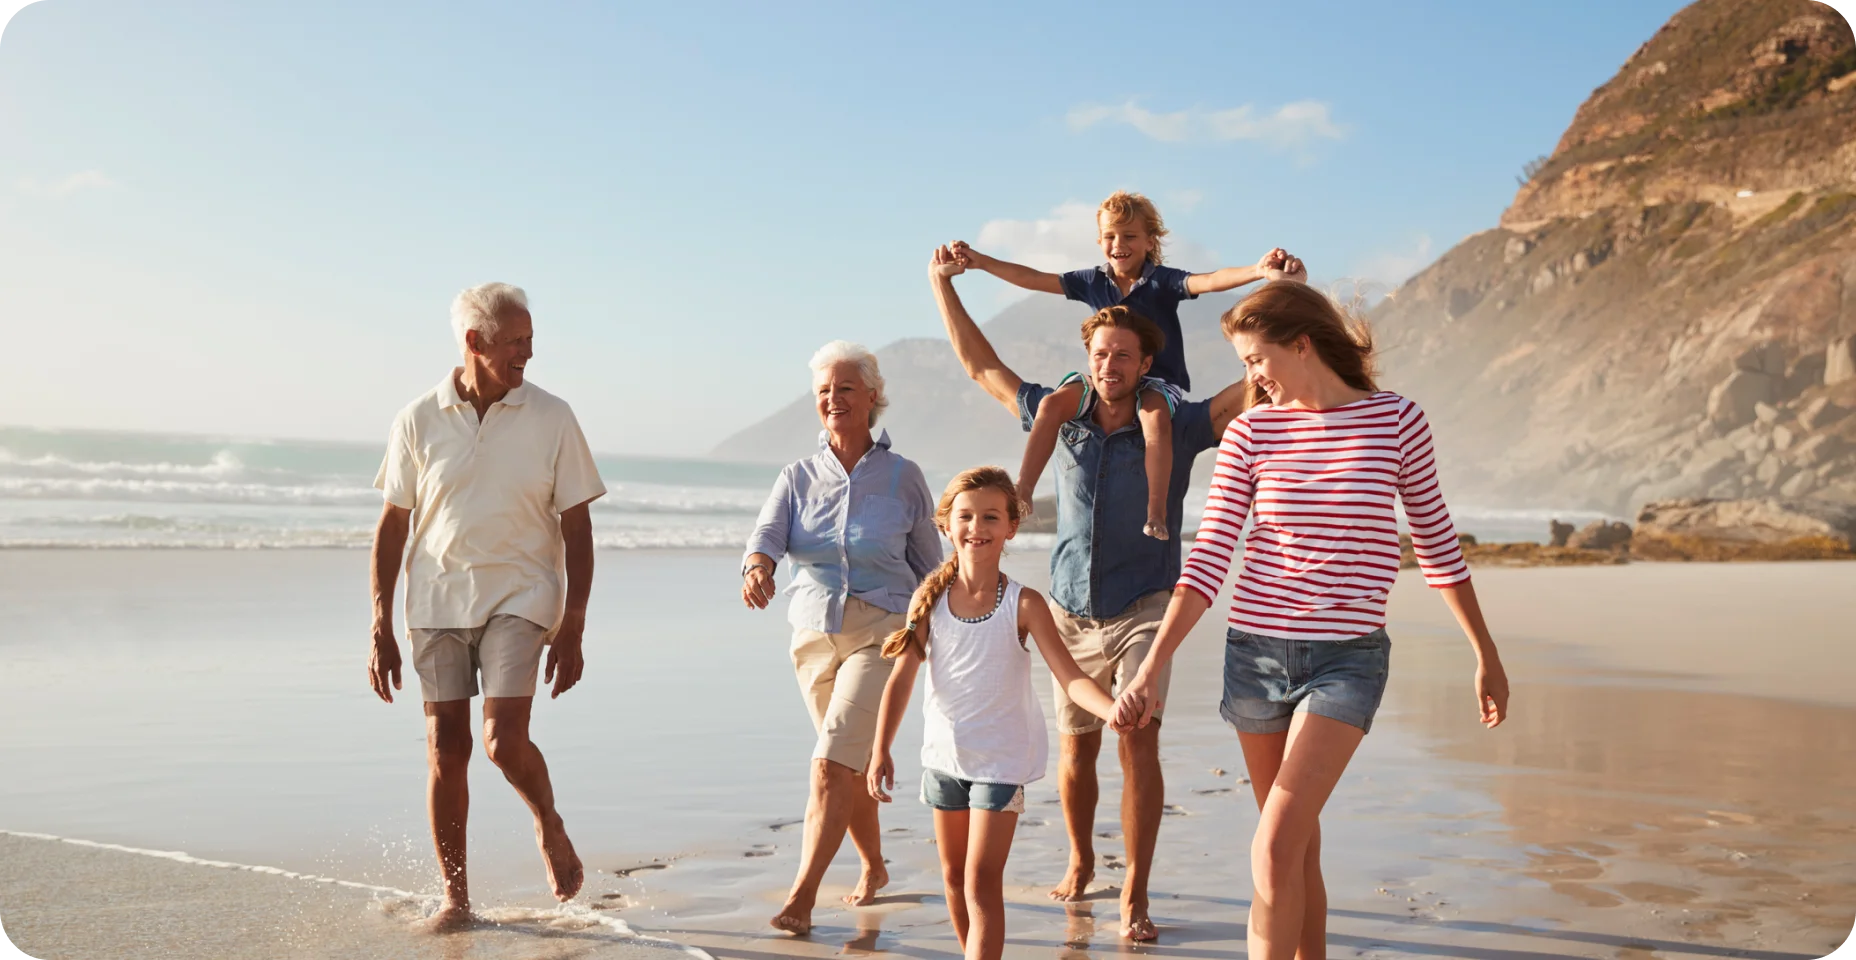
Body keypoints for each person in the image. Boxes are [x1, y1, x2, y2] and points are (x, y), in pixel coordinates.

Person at [1112, 281, 1512, 960]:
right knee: (1295, 847)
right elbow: (1209, 560)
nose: (1250, 377)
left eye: (1255, 359)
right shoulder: (1251, 432)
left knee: (1272, 846)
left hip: (1346, 659)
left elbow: (1439, 546)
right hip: (1256, 658)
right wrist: (1152, 667)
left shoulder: (1395, 420)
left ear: (1301, 345)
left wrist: (1486, 653)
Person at [927, 244, 1304, 941]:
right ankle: (1080, 860)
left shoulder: (1177, 423)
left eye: (1123, 356)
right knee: (1077, 754)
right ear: (1089, 356)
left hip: (1146, 610)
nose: (1110, 366)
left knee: (1136, 740)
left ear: (1145, 364)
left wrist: (1283, 296)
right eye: (1101, 353)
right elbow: (982, 367)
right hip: (1069, 610)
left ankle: (1135, 889)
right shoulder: (1061, 417)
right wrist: (943, 287)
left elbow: (1253, 385)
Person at [366, 282, 606, 932]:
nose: (528, 354)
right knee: (446, 747)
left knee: (501, 741)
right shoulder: (418, 418)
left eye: (530, 341)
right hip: (437, 599)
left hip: (522, 594)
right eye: (515, 343)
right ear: (474, 342)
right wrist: (379, 624)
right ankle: (456, 897)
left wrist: (575, 622)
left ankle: (547, 821)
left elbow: (578, 526)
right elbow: (393, 525)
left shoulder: (553, 417)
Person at [866, 467, 1119, 960]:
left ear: (1010, 527)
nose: (975, 527)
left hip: (1000, 764)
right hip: (943, 759)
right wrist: (881, 750)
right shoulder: (929, 597)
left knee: (981, 881)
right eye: (965, 516)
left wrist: (1113, 710)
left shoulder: (1023, 603)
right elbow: (901, 679)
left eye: (989, 516)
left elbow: (1070, 678)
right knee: (953, 879)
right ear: (946, 524)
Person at [741, 340, 943, 935]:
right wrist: (758, 568)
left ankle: (802, 898)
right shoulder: (797, 476)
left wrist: (934, 637)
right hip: (811, 635)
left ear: (873, 398)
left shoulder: (904, 477)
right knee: (846, 765)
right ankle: (875, 866)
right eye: (825, 390)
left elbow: (931, 566)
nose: (834, 398)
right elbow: (766, 536)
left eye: (846, 388)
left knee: (829, 765)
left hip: (882, 632)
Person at [952, 191, 1287, 539]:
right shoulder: (1092, 281)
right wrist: (982, 261)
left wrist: (1258, 270)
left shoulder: (1162, 281)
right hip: (1105, 377)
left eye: (1129, 236)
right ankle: (1023, 490)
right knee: (1051, 404)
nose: (1118, 244)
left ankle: (1155, 511)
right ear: (1099, 241)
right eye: (1110, 237)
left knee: (1155, 420)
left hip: (1158, 381)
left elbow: (1210, 279)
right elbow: (1033, 277)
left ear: (1149, 241)